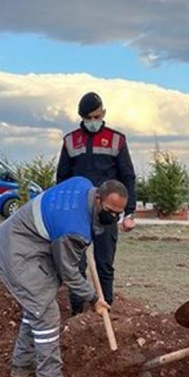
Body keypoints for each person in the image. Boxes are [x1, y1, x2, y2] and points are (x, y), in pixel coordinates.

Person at [0, 177, 126, 377]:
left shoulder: (82, 183)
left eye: (117, 214)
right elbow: (68, 272)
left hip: (25, 242)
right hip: (15, 251)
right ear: (97, 198)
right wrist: (93, 298)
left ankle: (22, 367)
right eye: (109, 210)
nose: (112, 217)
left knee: (36, 308)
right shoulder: (73, 229)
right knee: (46, 314)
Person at [56, 92, 137, 314]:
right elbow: (62, 178)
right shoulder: (71, 141)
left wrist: (129, 213)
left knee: (104, 264)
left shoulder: (116, 139)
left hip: (106, 212)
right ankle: (77, 313)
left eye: (96, 116)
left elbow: (127, 176)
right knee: (76, 265)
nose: (93, 121)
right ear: (81, 117)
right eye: (88, 117)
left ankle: (104, 308)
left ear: (103, 113)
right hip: (78, 213)